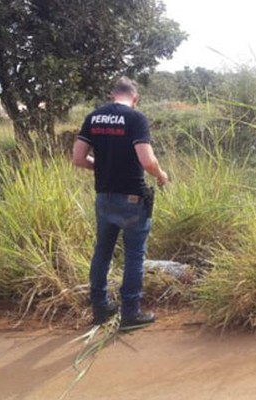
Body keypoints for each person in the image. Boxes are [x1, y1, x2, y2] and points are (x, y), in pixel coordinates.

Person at [72, 77, 168, 328]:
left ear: (112, 95)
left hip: (104, 196)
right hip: (133, 197)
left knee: (102, 252)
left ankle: (100, 308)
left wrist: (100, 166)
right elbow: (147, 161)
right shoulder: (136, 119)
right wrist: (160, 175)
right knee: (134, 256)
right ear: (135, 98)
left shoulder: (94, 117)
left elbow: (78, 158)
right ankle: (130, 313)